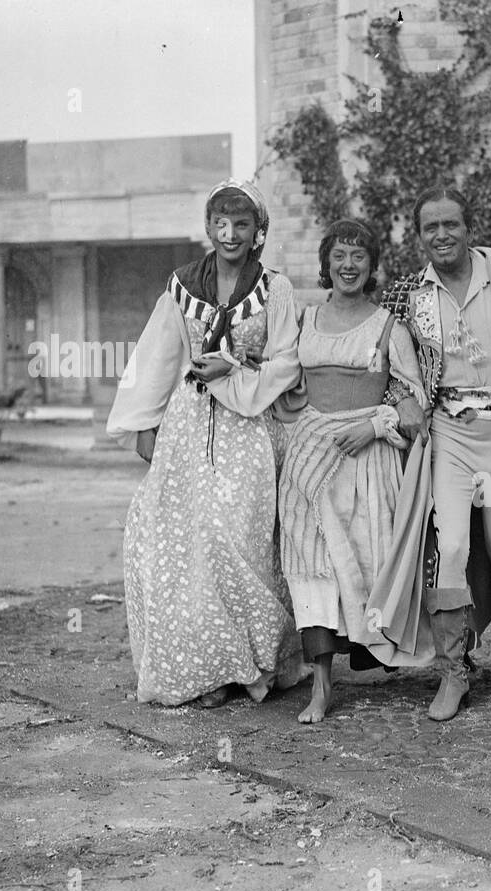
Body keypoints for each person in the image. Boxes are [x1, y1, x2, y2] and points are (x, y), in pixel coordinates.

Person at [200, 218, 429, 724]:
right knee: (309, 567)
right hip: (308, 458)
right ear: (326, 264)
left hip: (367, 463)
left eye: (359, 257)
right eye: (339, 257)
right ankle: (321, 687)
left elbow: (416, 405)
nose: (348, 266)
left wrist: (375, 424)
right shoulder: (304, 320)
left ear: (372, 266)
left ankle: (384, 653)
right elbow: (278, 374)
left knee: (367, 563)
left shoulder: (389, 328)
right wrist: (232, 368)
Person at [106, 178, 304, 707]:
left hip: (251, 429)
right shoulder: (181, 285)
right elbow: (159, 354)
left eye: (242, 224)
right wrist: (145, 423)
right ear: (209, 227)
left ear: (258, 231)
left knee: (236, 538)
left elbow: (285, 361)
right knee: (176, 540)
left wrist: (234, 370)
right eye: (221, 223)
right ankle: (208, 667)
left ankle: (253, 661)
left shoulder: (275, 289)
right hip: (189, 426)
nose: (230, 233)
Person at [366, 186, 491, 721]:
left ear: (469, 227)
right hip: (448, 433)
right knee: (448, 550)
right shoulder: (411, 296)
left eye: (451, 224)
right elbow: (393, 371)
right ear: (419, 236)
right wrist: (402, 403)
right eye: (431, 227)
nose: (442, 235)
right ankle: (453, 672)